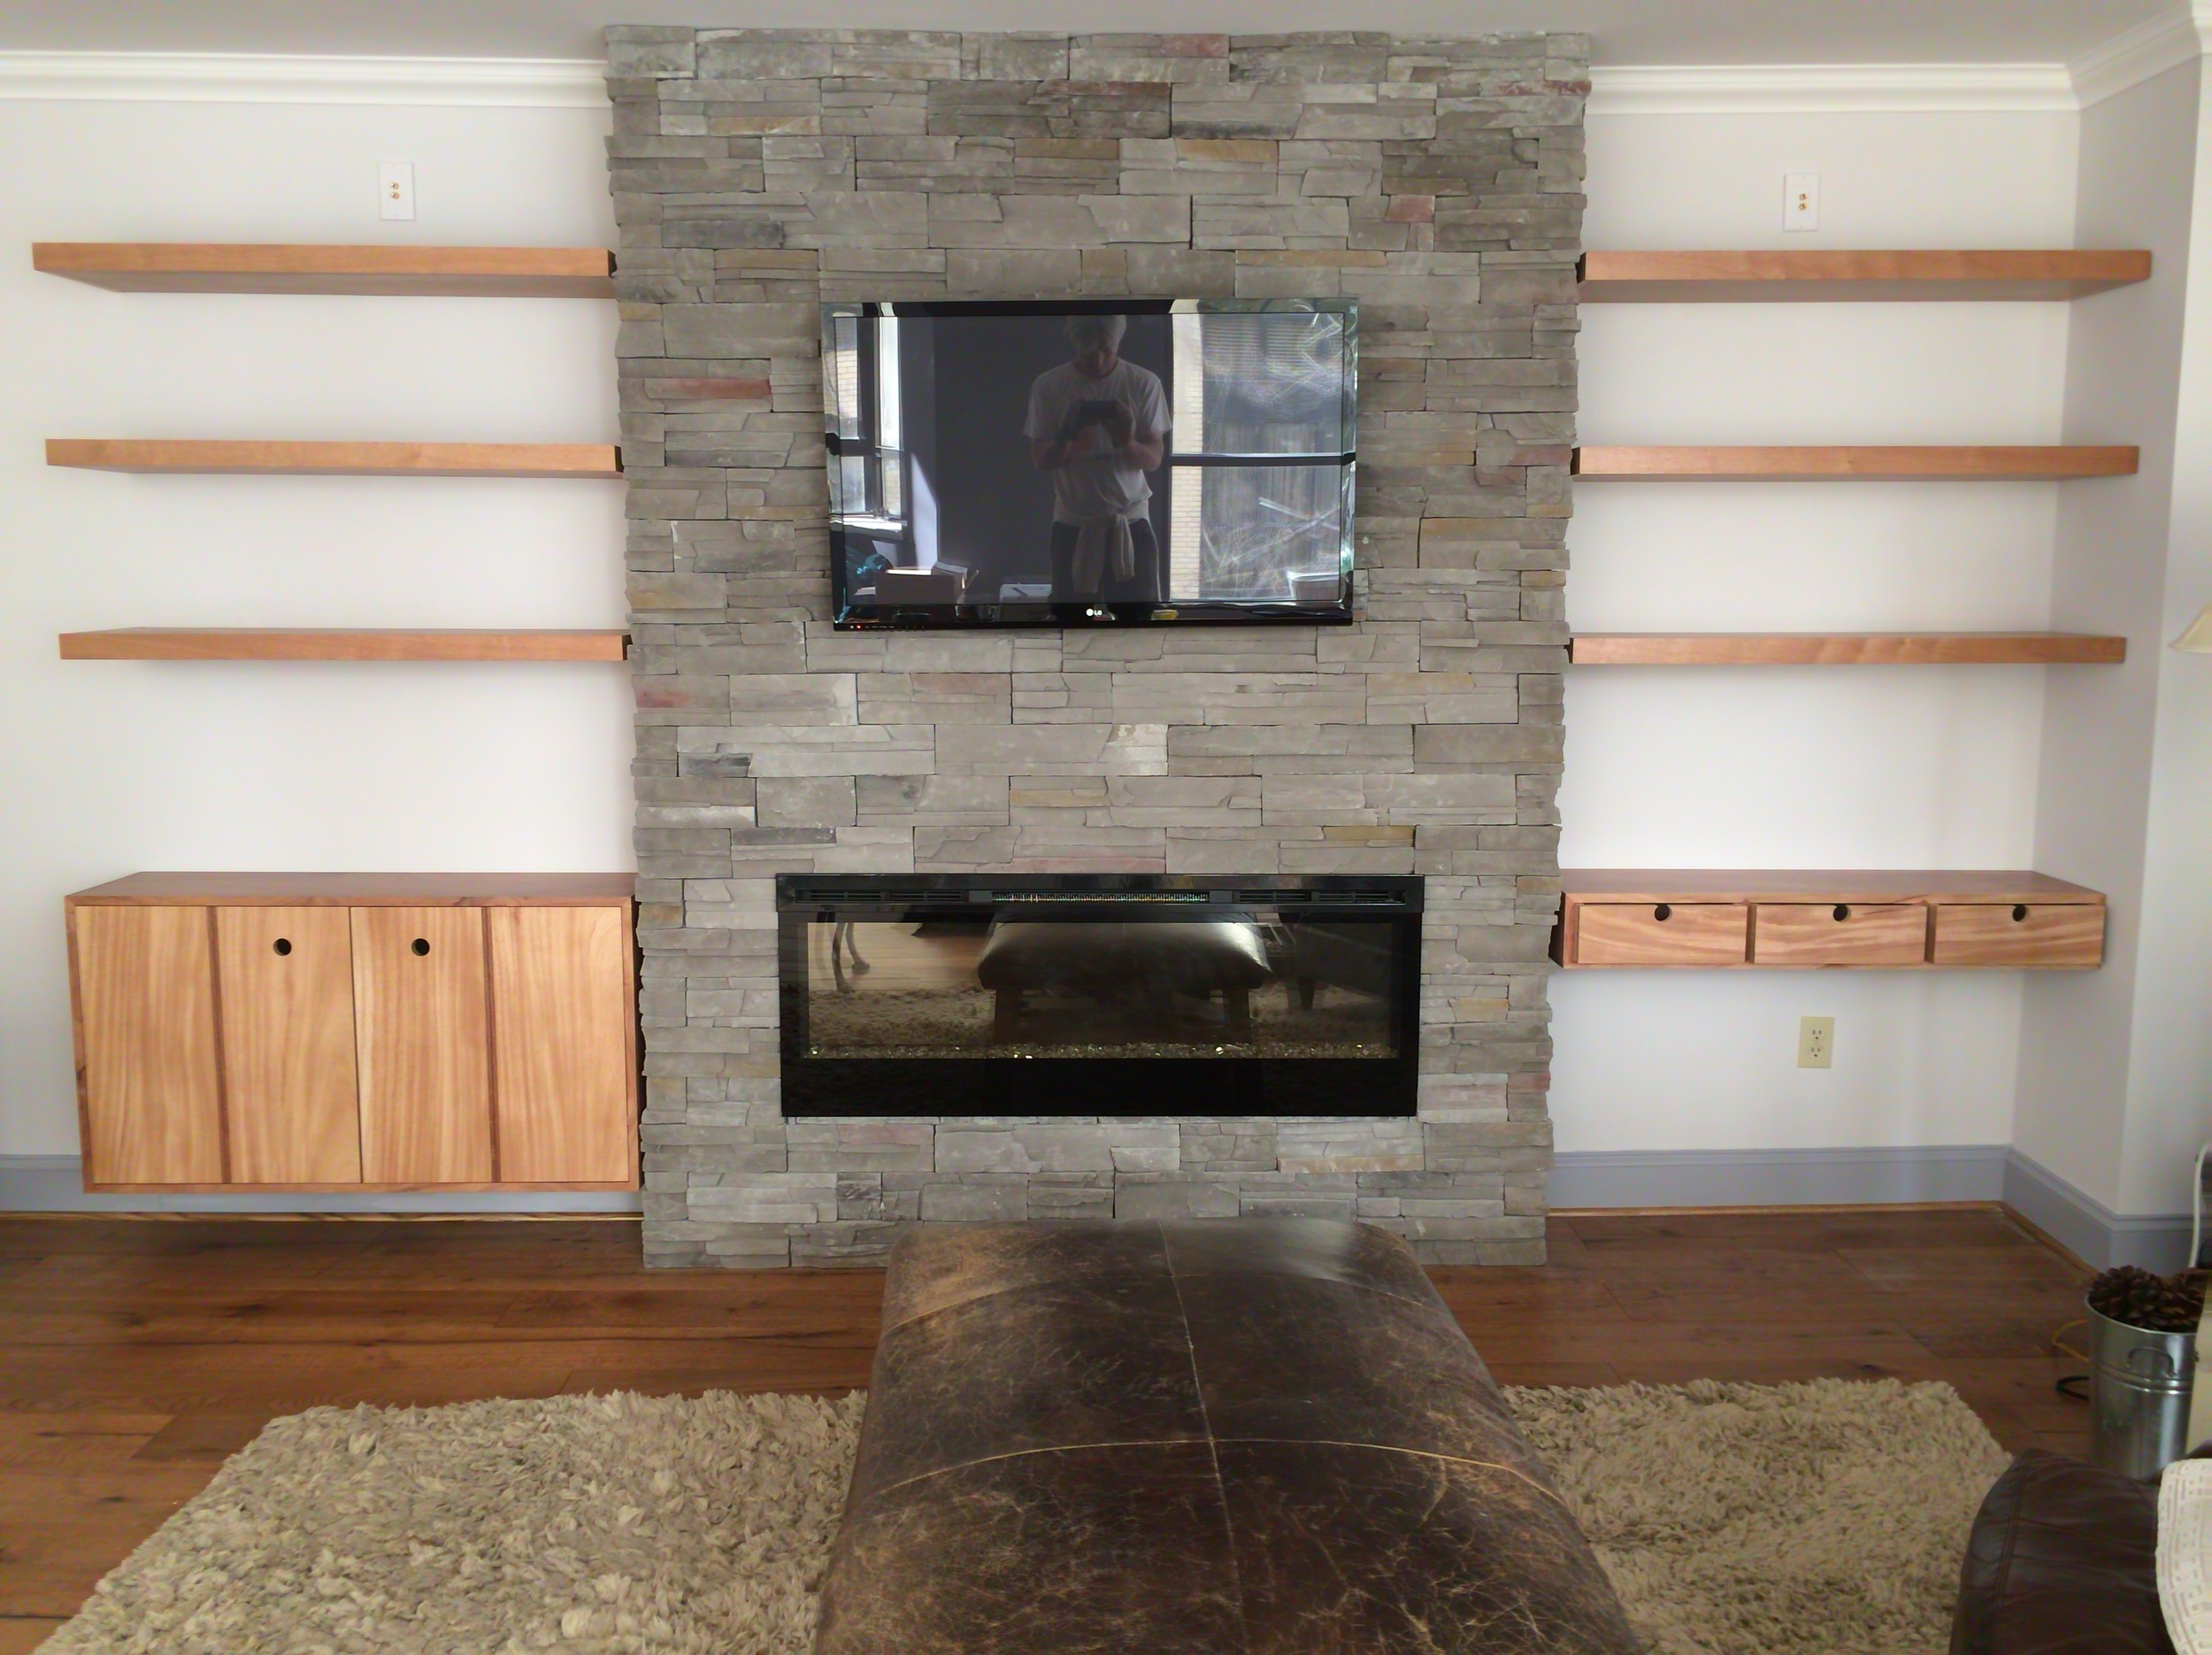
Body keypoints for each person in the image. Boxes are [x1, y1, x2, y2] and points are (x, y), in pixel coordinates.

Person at [1024, 314, 1169, 616]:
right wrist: (1067, 432)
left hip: (1130, 522)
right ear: (1076, 344)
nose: (1099, 360)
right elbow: (1041, 461)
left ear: (1118, 344)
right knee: (1070, 621)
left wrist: (1127, 442)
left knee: (1137, 621)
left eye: (1108, 351)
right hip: (1073, 524)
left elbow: (1154, 459)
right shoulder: (1050, 386)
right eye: (1090, 352)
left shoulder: (1143, 383)